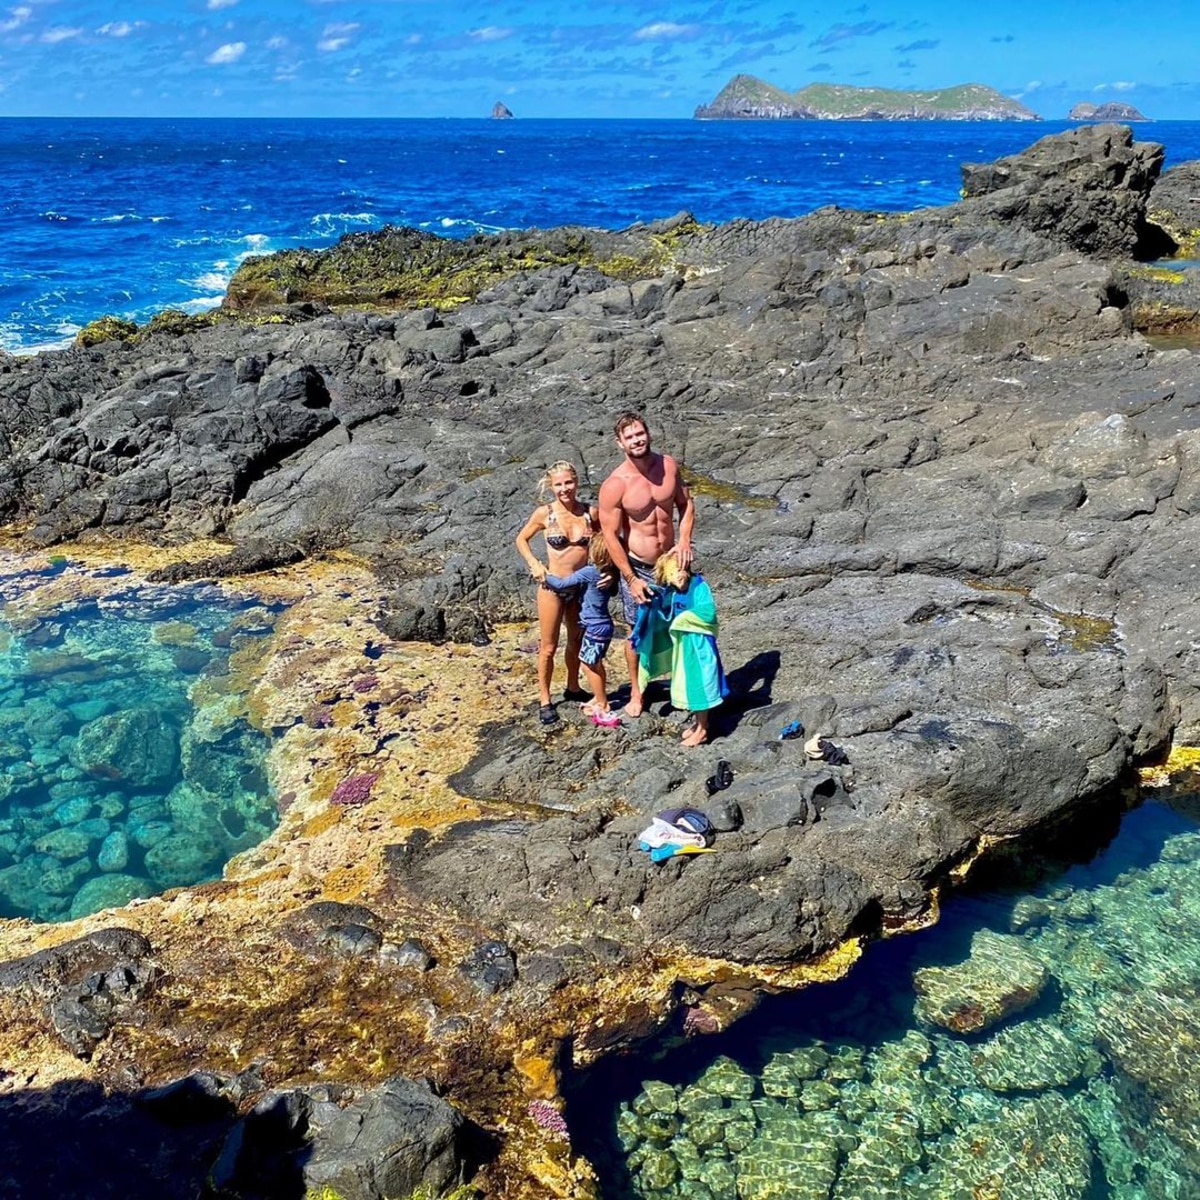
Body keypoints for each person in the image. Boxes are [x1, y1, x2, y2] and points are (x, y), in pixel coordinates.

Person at [598, 413, 695, 717]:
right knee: (636, 632)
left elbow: (686, 504)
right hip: (638, 567)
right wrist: (630, 579)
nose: (637, 440)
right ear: (620, 443)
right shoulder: (615, 484)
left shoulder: (668, 466)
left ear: (648, 434)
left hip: (672, 561)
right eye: (630, 437)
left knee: (683, 624)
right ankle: (637, 693)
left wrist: (684, 541)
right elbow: (611, 537)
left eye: (640, 434)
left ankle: (683, 686)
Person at [515, 461, 598, 724]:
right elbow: (521, 539)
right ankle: (545, 699)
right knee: (548, 647)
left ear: (577, 481)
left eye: (569, 483)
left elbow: (610, 537)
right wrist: (534, 564)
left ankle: (573, 687)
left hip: (579, 587)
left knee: (576, 641)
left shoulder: (589, 513)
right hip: (551, 586)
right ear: (551, 486)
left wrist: (605, 570)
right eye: (559, 484)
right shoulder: (545, 513)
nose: (565, 489)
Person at [631, 548, 728, 746]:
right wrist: (651, 600)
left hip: (699, 646)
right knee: (690, 683)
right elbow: (664, 608)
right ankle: (699, 722)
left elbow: (708, 612)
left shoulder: (699, 586)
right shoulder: (673, 591)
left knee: (701, 683)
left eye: (679, 571)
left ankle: (702, 730)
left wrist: (682, 620)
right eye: (672, 574)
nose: (678, 577)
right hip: (683, 647)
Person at [543, 533, 620, 727]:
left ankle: (603, 703)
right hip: (604, 625)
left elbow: (561, 584)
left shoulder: (589, 572)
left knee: (587, 664)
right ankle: (599, 696)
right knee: (597, 663)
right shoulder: (608, 574)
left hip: (594, 628)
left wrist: (542, 573)